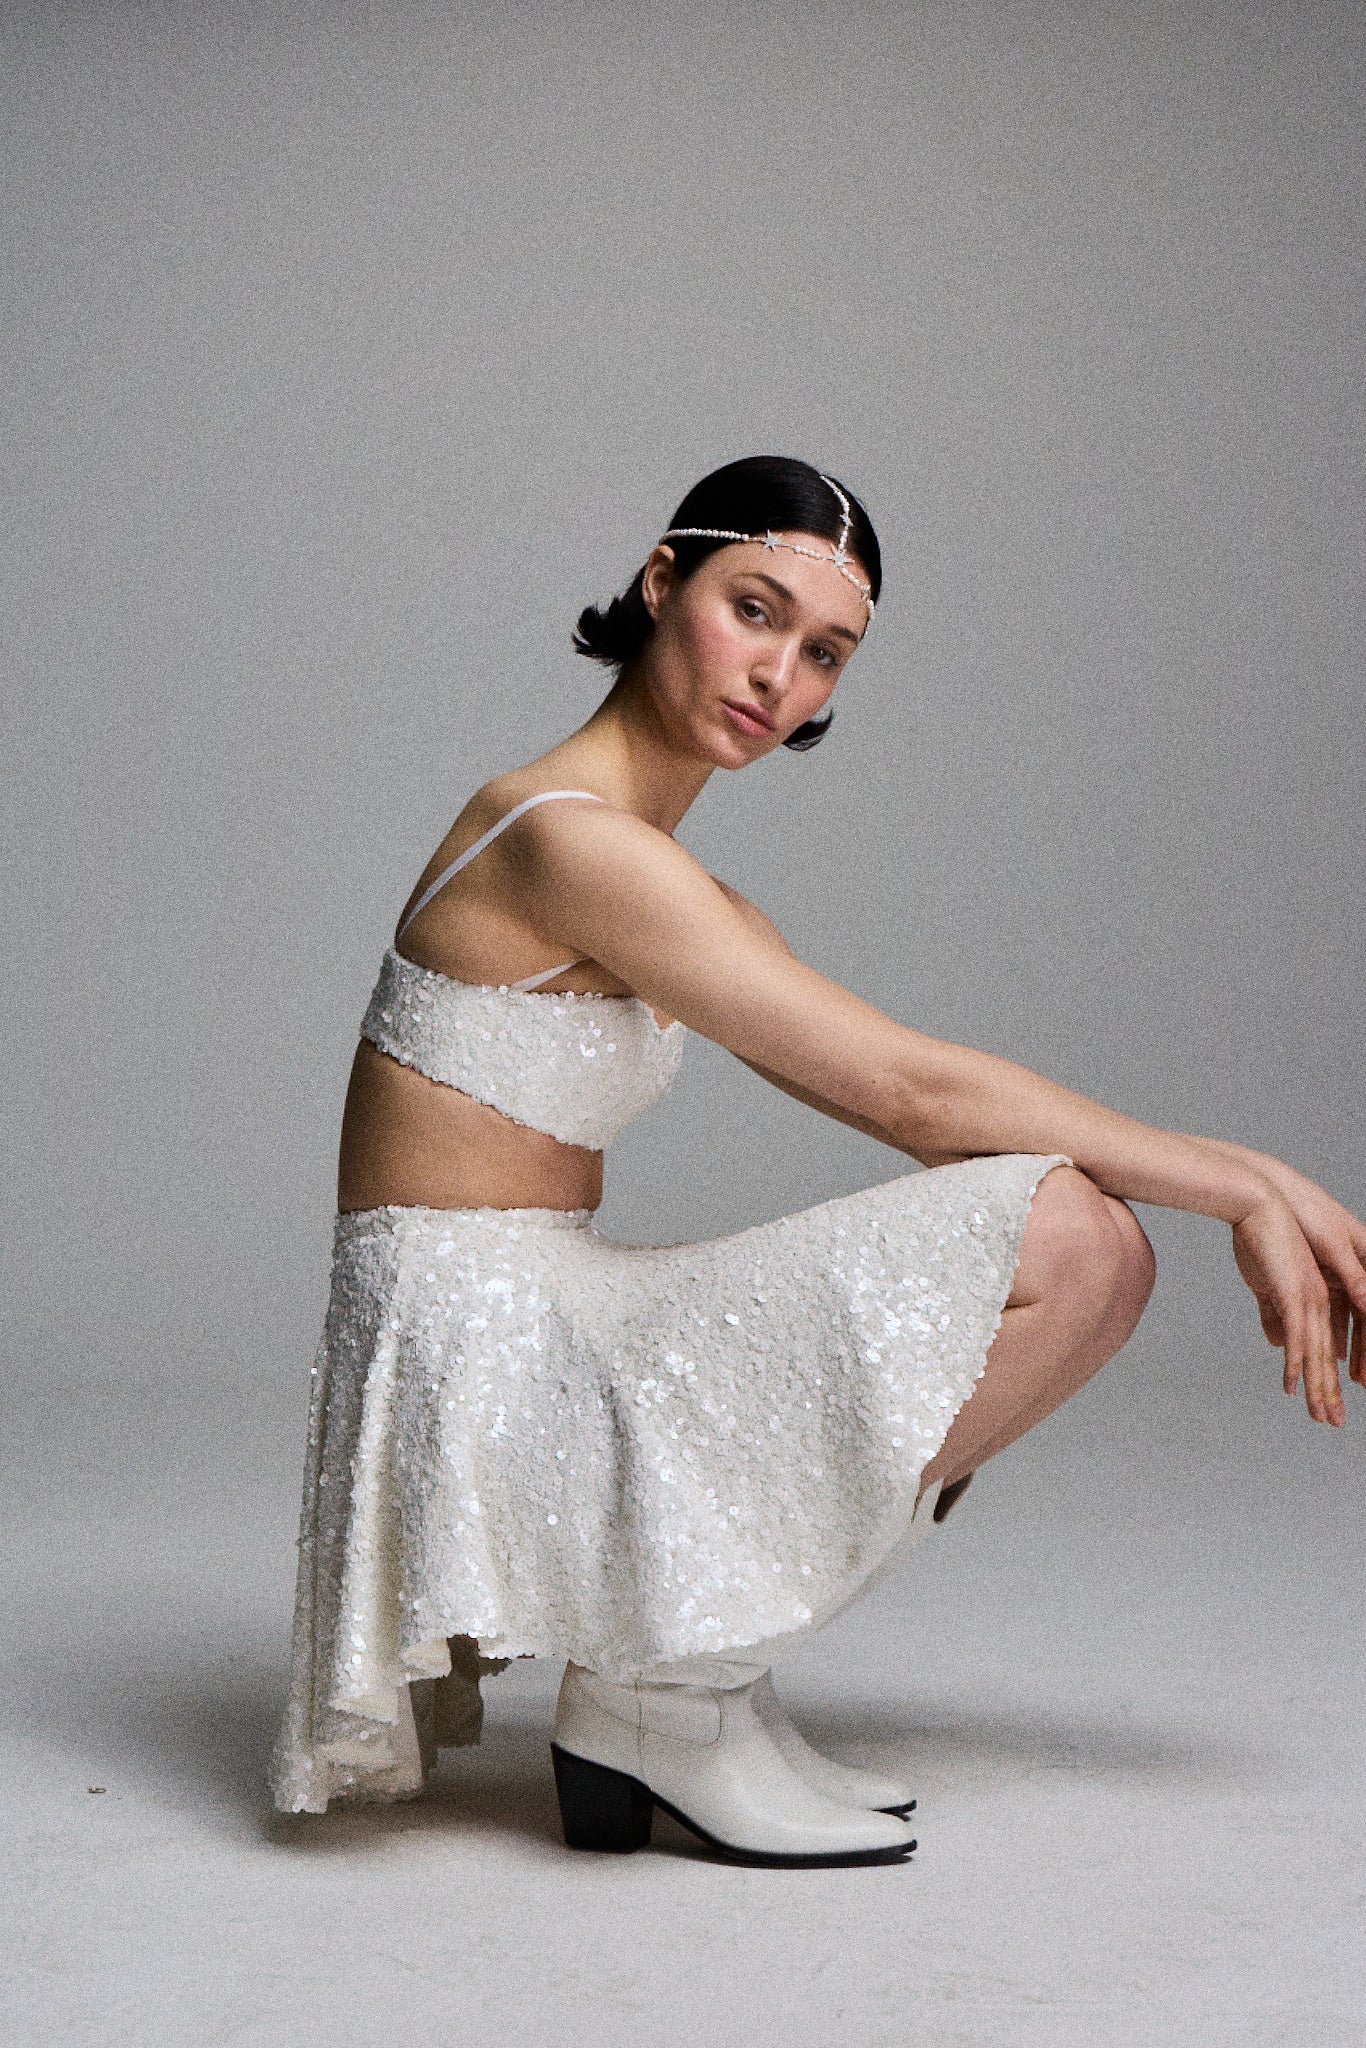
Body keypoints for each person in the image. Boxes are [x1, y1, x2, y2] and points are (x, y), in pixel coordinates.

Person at [270, 455, 1365, 1868]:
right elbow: (915, 1092)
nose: (779, 674)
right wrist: (1245, 1187)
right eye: (753, 610)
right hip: (471, 1346)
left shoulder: (675, 886)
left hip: (540, 1314)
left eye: (825, 651)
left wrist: (1253, 1179)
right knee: (1070, 1241)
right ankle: (663, 1695)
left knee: (1081, 1238)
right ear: (662, 581)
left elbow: (922, 1101)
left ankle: (697, 1679)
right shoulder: (564, 842)